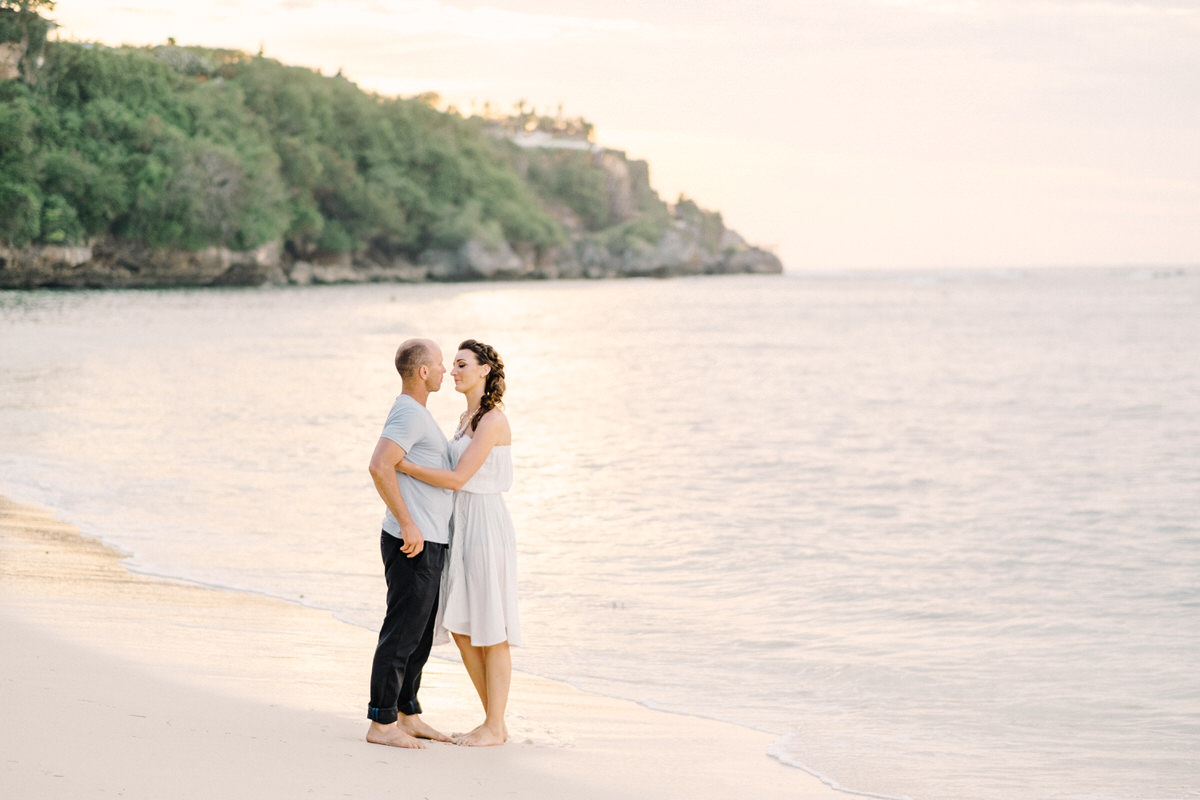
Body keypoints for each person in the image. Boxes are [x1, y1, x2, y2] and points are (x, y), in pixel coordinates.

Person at [397, 339, 521, 747]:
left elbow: (456, 478)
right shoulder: (465, 417)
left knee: (492, 627)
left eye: (462, 364)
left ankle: (495, 726)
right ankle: (494, 722)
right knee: (463, 627)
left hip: (485, 526)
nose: (453, 370)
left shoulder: (492, 421)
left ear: (485, 370)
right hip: (460, 525)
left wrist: (405, 466)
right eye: (451, 364)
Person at [365, 338, 454, 749]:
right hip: (411, 542)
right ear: (422, 372)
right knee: (401, 634)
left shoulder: (417, 414)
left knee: (418, 636)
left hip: (429, 540)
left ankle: (408, 712)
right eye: (439, 364)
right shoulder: (408, 413)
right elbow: (379, 465)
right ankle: (381, 722)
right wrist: (409, 524)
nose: (444, 370)